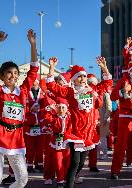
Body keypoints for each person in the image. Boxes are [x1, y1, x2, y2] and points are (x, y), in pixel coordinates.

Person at [46, 56, 113, 188]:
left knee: (81, 163)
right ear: (74, 79)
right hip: (75, 133)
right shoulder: (70, 92)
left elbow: (107, 84)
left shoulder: (92, 90)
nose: (82, 79)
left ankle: (69, 180)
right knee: (75, 162)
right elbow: (52, 86)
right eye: (79, 77)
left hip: (88, 134)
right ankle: (68, 185)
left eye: (84, 76)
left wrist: (104, 67)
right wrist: (52, 68)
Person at [0, 29, 39, 188]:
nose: (13, 76)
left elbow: (34, 69)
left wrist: (33, 44)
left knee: (23, 178)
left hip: (16, 137)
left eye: (16, 73)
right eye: (9, 73)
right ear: (2, 76)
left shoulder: (22, 91)